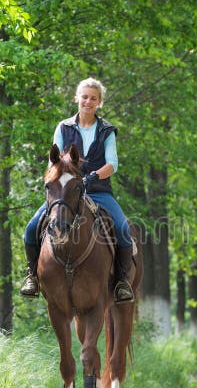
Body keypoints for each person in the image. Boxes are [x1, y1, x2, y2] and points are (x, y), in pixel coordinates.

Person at [20, 77, 135, 303]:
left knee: (122, 229)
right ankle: (32, 276)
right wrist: (60, 181)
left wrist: (93, 177)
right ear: (77, 99)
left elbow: (113, 163)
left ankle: (121, 282)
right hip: (65, 194)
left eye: (93, 98)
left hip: (99, 191)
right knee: (31, 228)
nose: (88, 101)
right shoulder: (63, 127)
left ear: (99, 102)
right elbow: (53, 162)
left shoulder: (107, 130)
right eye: (84, 97)